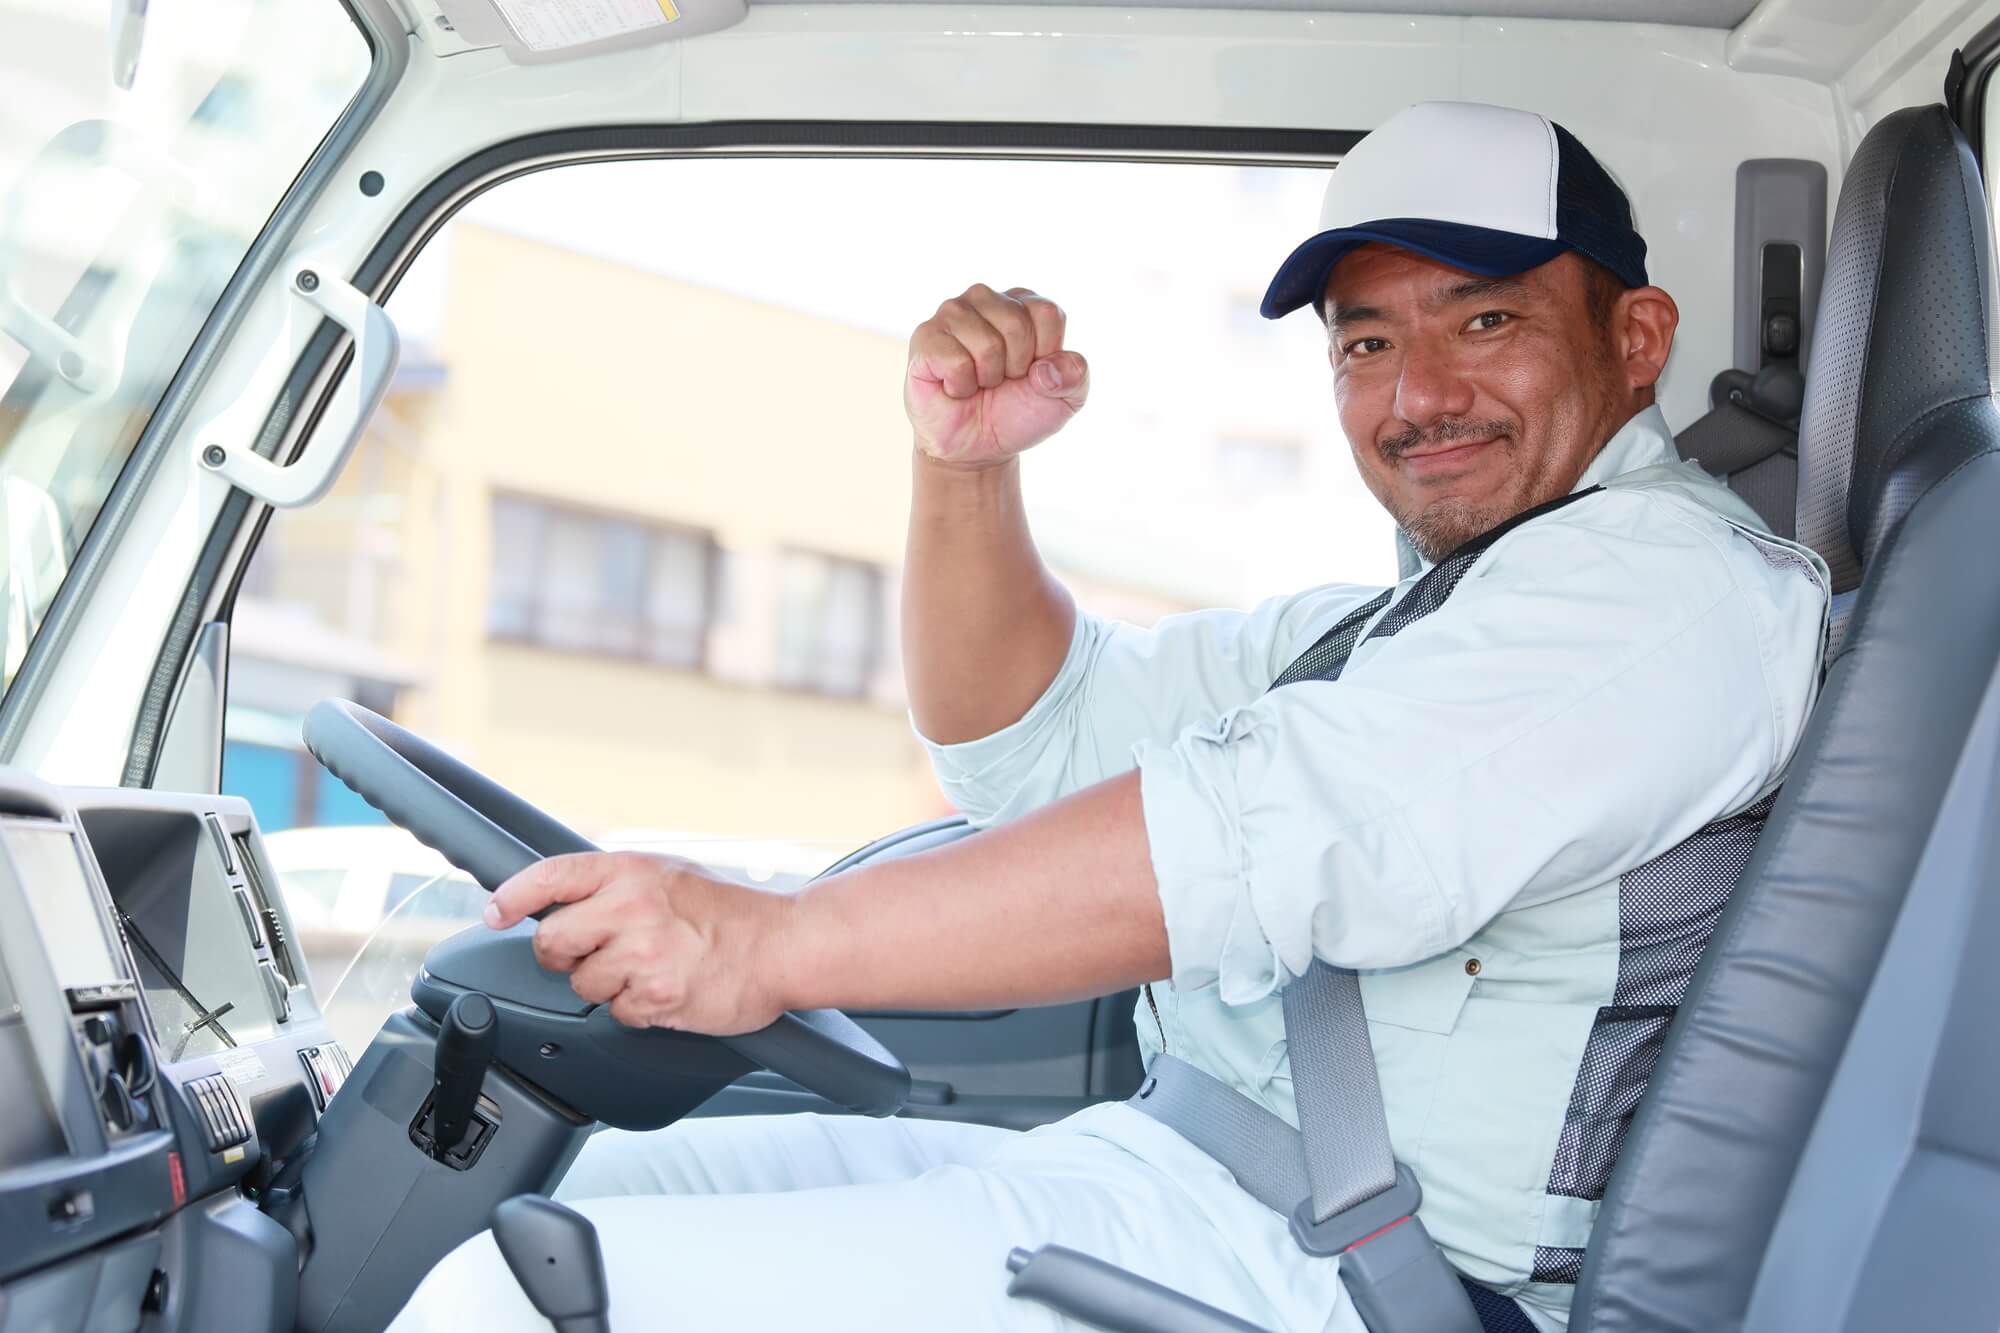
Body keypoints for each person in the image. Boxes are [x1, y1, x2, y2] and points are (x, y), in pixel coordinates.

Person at [391, 101, 1829, 1333]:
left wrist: (771, 938)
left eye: (1490, 319)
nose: (1420, 394)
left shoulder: (1665, 593)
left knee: (507, 1301)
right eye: (1367, 344)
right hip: (1180, 1178)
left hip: (1358, 1277)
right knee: (539, 1193)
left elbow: (1259, 838)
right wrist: (964, 474)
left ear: (1637, 337)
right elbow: (1038, 740)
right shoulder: (1395, 627)